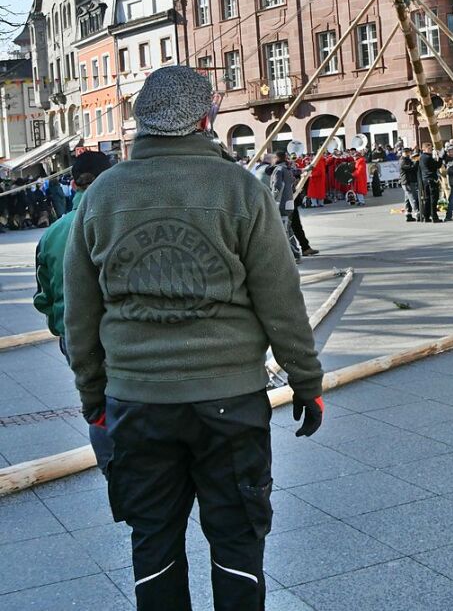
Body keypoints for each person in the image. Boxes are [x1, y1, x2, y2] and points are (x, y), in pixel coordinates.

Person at [63, 65, 323, 610]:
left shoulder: (101, 195)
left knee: (153, 545)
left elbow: (80, 318)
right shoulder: (240, 189)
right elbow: (281, 298)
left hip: (136, 400)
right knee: (236, 543)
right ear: (206, 118)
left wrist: (95, 400)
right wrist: (306, 381)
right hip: (229, 399)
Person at [33, 150, 113, 470]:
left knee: (98, 407)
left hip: (74, 336)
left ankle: (112, 471)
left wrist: (62, 328)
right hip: (117, 332)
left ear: (74, 183)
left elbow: (43, 297)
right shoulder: (116, 221)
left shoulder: (52, 233)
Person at [270, 150, 301, 260]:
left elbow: (277, 187)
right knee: (288, 228)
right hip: (289, 202)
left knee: (284, 230)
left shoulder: (279, 170)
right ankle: (295, 251)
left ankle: (293, 254)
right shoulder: (288, 169)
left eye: (273, 157)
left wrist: (271, 200)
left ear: (277, 158)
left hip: (281, 203)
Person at [417, 141, 442, 223]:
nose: (431, 149)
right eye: (429, 148)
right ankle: (434, 216)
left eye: (431, 148)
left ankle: (426, 216)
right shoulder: (428, 157)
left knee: (427, 199)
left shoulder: (421, 157)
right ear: (424, 149)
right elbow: (437, 165)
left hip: (425, 180)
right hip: (431, 179)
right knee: (433, 199)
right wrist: (440, 157)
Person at [399, 147, 420, 222]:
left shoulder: (407, 159)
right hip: (407, 182)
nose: (409, 153)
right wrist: (416, 161)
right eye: (407, 152)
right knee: (412, 198)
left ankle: (408, 214)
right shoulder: (403, 161)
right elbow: (411, 168)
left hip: (408, 181)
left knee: (407, 199)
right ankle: (417, 213)